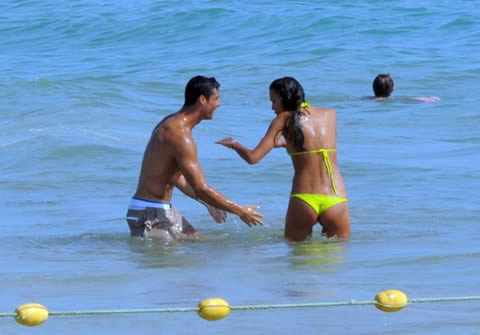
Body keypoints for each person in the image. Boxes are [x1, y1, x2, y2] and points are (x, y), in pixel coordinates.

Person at [126, 75, 263, 242]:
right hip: (150, 213)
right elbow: (201, 188)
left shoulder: (172, 123)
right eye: (216, 99)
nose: (218, 104)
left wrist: (209, 202)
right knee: (177, 264)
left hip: (160, 208)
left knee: (203, 245)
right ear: (202, 100)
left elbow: (173, 176)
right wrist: (240, 210)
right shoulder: (180, 136)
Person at [216, 77, 350, 242]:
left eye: (274, 101)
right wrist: (286, 145)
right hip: (336, 197)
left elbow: (253, 157)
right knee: (336, 261)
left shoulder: (283, 119)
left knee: (298, 259)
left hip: (305, 198)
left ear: (284, 97)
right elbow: (315, 147)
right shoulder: (330, 114)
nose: (273, 107)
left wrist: (234, 144)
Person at [369, 73, 440, 102]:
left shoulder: (369, 99)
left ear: (373, 89)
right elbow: (409, 100)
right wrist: (427, 98)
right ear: (393, 89)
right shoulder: (392, 101)